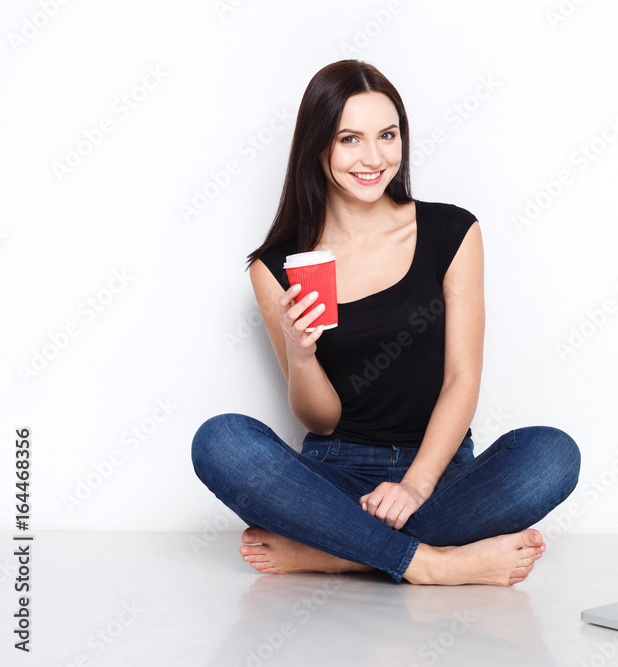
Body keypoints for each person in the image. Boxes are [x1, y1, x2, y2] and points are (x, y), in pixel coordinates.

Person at [190, 60, 581, 586]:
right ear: (317, 146)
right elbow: (320, 421)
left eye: (387, 135)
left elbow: (462, 378)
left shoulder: (452, 231)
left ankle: (335, 551)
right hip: (335, 474)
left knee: (552, 454)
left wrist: (416, 486)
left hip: (441, 473)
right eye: (349, 139)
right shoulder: (279, 267)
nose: (373, 158)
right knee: (220, 441)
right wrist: (301, 353)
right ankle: (430, 564)